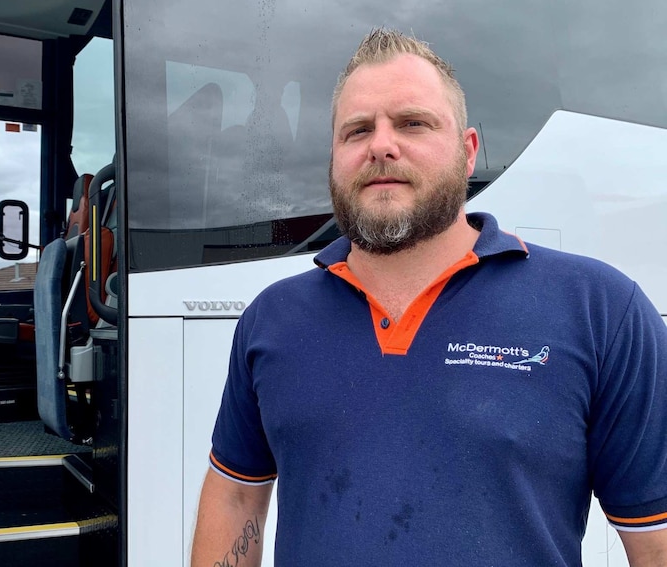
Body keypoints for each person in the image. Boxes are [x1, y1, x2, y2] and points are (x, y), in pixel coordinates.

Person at [190, 28, 667, 566]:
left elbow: (656, 539)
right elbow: (236, 496)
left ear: (467, 153)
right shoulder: (271, 319)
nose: (381, 145)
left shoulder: (602, 311)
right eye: (357, 131)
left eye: (413, 123)